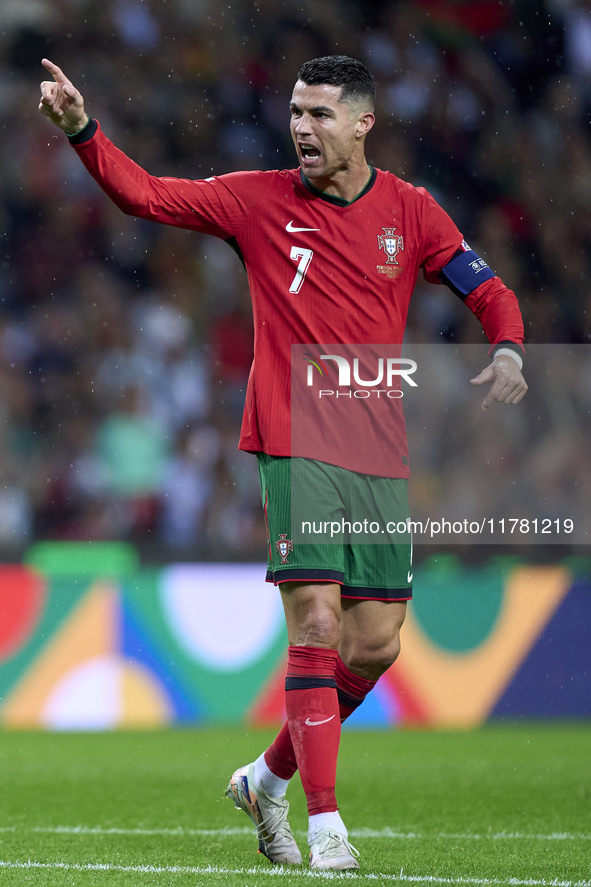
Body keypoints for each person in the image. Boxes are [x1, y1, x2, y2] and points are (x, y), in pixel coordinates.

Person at [39, 54, 527, 872]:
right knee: (318, 623)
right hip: (294, 434)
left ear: (363, 123)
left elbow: (487, 289)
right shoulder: (255, 199)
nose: (301, 126)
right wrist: (84, 131)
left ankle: (267, 777)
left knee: (375, 644)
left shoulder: (409, 210)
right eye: (295, 111)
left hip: (377, 448)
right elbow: (146, 194)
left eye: (320, 114)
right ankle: (325, 823)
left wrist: (509, 350)